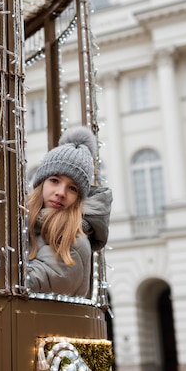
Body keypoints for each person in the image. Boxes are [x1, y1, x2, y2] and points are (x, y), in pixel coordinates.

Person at [26, 126, 108, 297]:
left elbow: (29, 282)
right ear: (42, 183)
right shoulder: (24, 223)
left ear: (79, 199)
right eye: (55, 180)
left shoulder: (75, 241)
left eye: (72, 188)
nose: (61, 193)